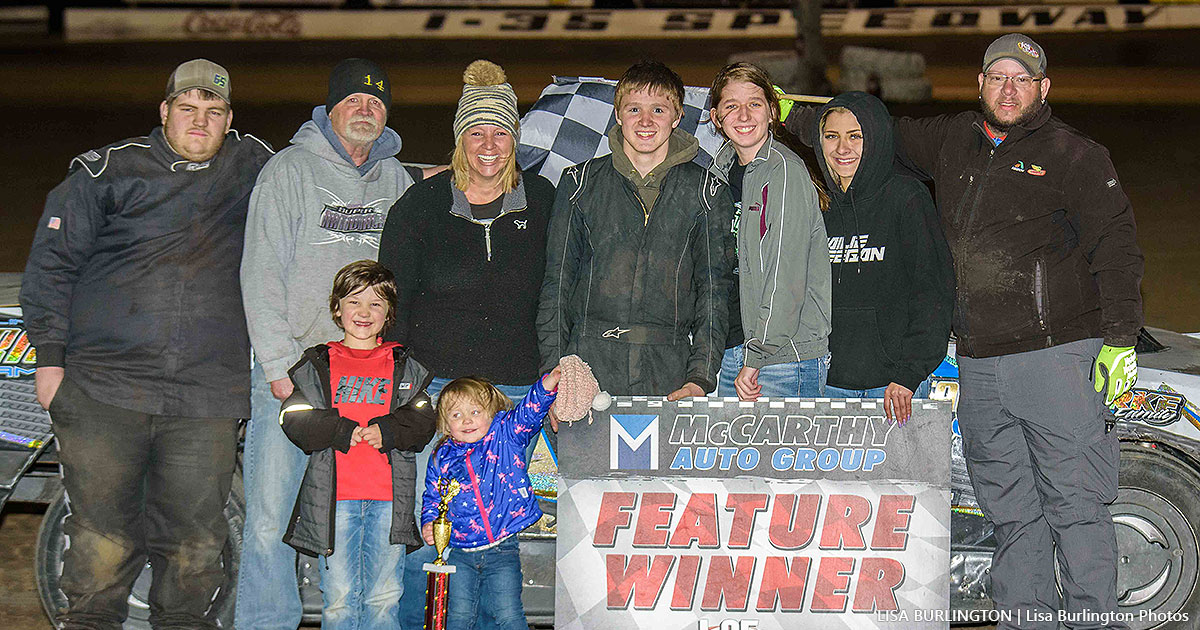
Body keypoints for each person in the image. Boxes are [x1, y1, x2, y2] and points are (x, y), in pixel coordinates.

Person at [786, 34, 1141, 628]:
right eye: (997, 76)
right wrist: (779, 111)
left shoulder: (1076, 155)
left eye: (1021, 79)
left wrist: (1121, 339)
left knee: (1076, 507)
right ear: (979, 84)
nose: (1008, 89)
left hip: (1053, 358)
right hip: (978, 364)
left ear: (1042, 89)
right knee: (1012, 514)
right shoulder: (954, 139)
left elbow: (1119, 250)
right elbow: (870, 131)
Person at [20, 59, 272, 628]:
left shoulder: (254, 165)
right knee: (102, 537)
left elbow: (327, 177)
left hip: (205, 397)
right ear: (165, 112)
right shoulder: (106, 171)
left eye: (213, 112)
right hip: (105, 389)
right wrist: (50, 362)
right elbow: (50, 269)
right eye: (187, 109)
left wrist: (430, 175)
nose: (199, 122)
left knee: (196, 544)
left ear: (229, 120)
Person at [238, 58, 426, 630]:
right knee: (272, 517)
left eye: (376, 101)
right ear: (330, 108)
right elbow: (260, 270)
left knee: (352, 516)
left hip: (367, 378)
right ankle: (268, 622)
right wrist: (275, 364)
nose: (365, 108)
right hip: (296, 371)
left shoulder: (396, 179)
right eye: (353, 100)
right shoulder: (289, 171)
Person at [376, 59, 555, 629]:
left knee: (495, 535)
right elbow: (393, 299)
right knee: (430, 537)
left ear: (515, 139)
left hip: (510, 394)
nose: (488, 144)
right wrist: (399, 387)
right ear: (457, 140)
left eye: (501, 131)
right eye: (475, 131)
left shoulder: (546, 201)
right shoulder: (421, 206)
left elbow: (565, 287)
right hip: (436, 396)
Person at [538, 60, 734, 399]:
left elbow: (714, 292)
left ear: (676, 118)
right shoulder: (578, 183)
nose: (645, 121)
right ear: (618, 114)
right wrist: (556, 371)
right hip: (587, 368)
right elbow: (556, 285)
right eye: (634, 109)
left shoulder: (707, 191)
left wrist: (700, 377)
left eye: (658, 109)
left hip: (670, 370)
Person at [279, 260, 437, 630]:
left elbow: (423, 420)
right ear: (337, 308)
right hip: (336, 502)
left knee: (384, 597)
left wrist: (388, 430)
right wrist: (339, 431)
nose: (364, 312)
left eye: (376, 304)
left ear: (388, 314)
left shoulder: (404, 364)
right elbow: (293, 416)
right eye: (354, 302)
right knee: (338, 600)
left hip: (389, 503)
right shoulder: (318, 362)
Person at [811, 92, 954, 422]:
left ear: (875, 138)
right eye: (831, 136)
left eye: (855, 136)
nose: (842, 148)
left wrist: (909, 373)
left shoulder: (906, 197)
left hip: (895, 389)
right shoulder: (817, 204)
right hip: (828, 384)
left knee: (902, 476)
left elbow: (933, 292)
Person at [707, 62, 831, 401]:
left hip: (780, 358)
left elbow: (784, 273)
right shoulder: (719, 172)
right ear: (716, 117)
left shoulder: (784, 171)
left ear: (772, 111)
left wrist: (759, 352)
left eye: (755, 103)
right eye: (731, 106)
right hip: (734, 350)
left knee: (784, 456)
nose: (743, 115)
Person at [420, 369, 561, 630]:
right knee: (458, 618)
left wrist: (548, 383)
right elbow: (432, 497)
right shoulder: (441, 455)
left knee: (509, 616)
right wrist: (429, 522)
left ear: (492, 413)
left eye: (475, 412)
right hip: (459, 552)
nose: (466, 420)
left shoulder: (506, 436)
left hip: (502, 549)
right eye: (456, 414)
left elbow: (529, 411)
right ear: (445, 423)